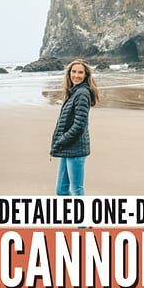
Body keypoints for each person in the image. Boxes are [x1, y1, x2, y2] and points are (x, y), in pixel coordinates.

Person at [50, 59, 99, 195]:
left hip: (76, 148)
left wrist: (61, 140)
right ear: (69, 73)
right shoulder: (73, 92)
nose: (76, 75)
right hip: (67, 147)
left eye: (80, 72)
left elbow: (79, 125)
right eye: (74, 71)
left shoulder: (82, 93)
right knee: (61, 191)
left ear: (85, 75)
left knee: (76, 190)